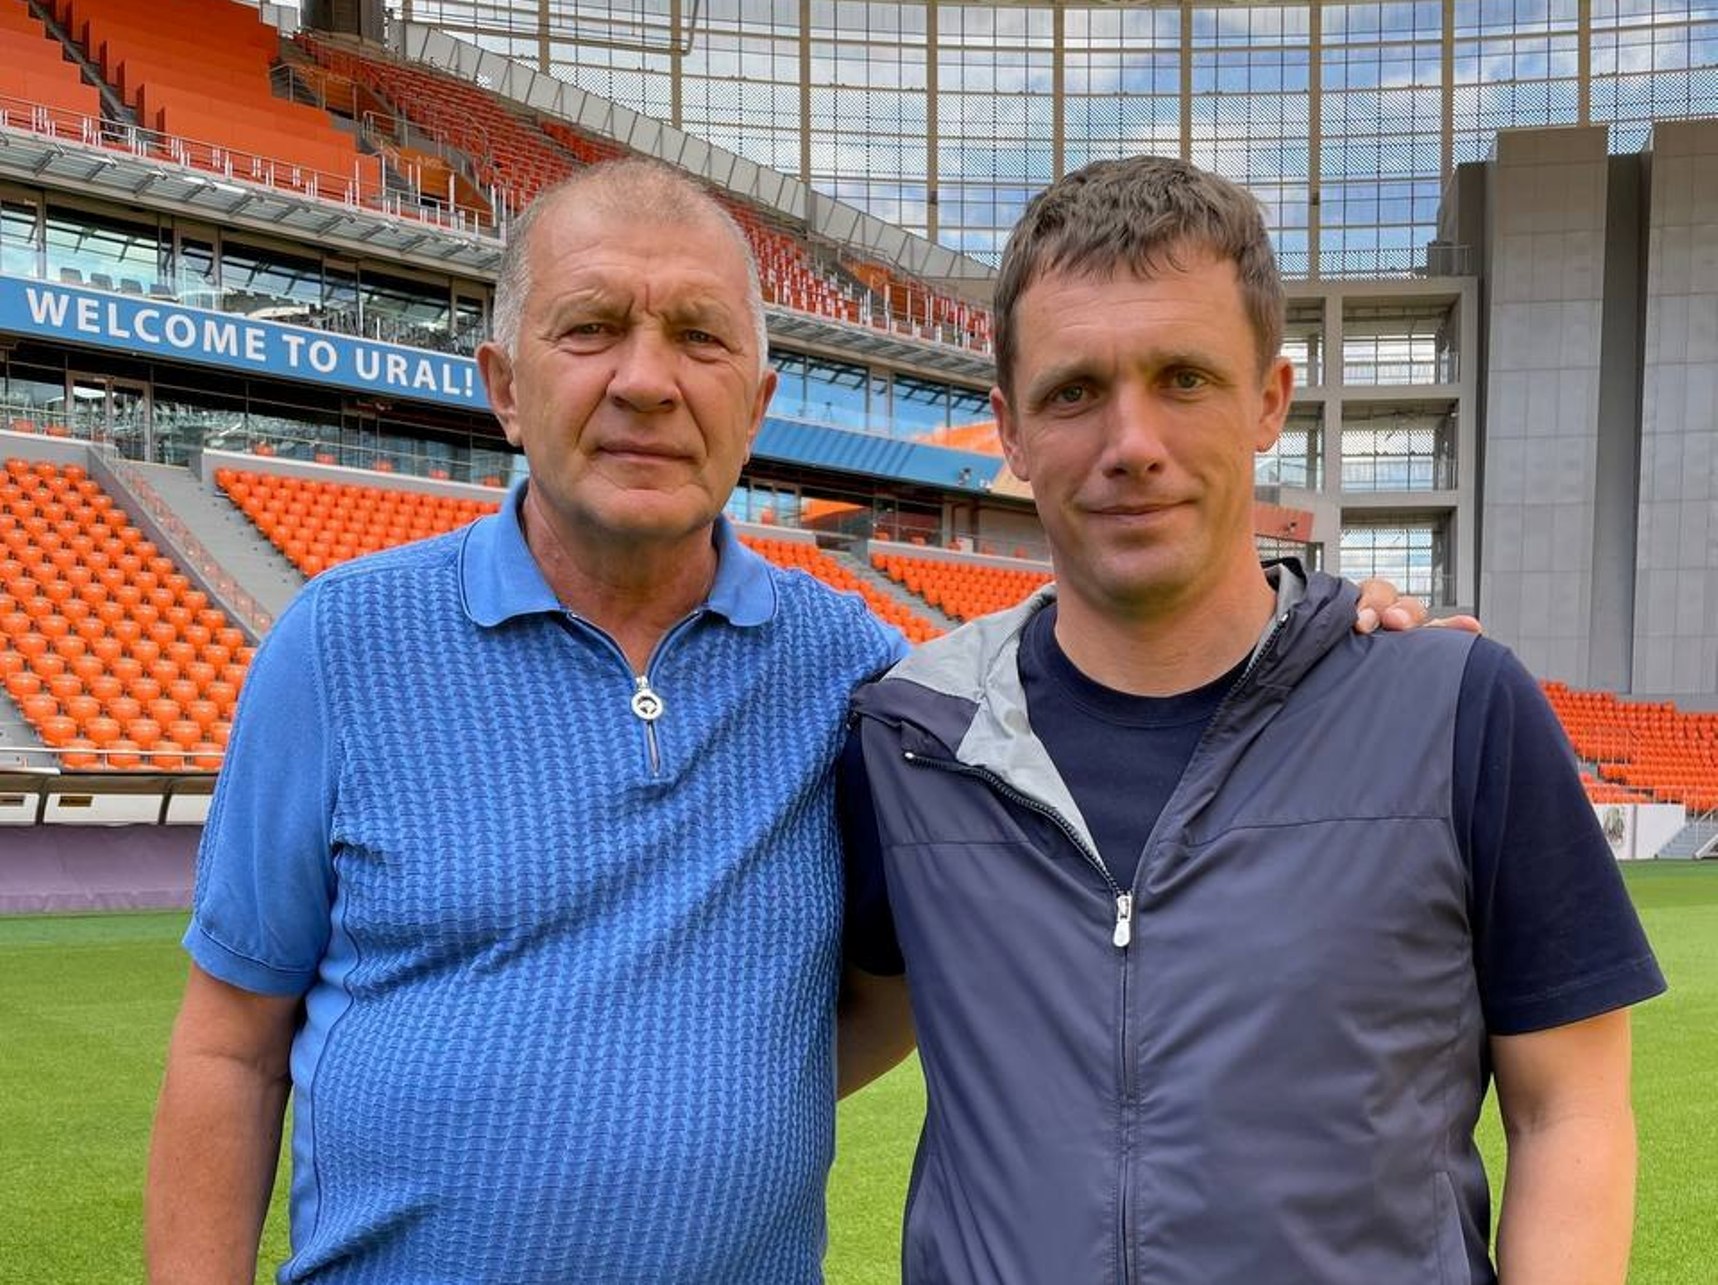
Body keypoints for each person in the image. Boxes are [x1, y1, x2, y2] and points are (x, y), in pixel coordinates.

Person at [145, 157, 1435, 1283]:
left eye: (699, 338)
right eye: (591, 328)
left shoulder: (863, 679)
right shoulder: (341, 646)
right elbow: (228, 1051)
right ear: (503, 384)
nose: (647, 381)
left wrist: (1333, 633)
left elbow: (924, 958)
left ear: (756, 405)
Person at [839, 156, 1665, 1285]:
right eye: (1074, 391)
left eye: (1182, 377)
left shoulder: (1456, 706)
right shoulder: (910, 740)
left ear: (1269, 399)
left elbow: (1568, 1108)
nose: (1131, 442)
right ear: (1011, 430)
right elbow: (849, 1019)